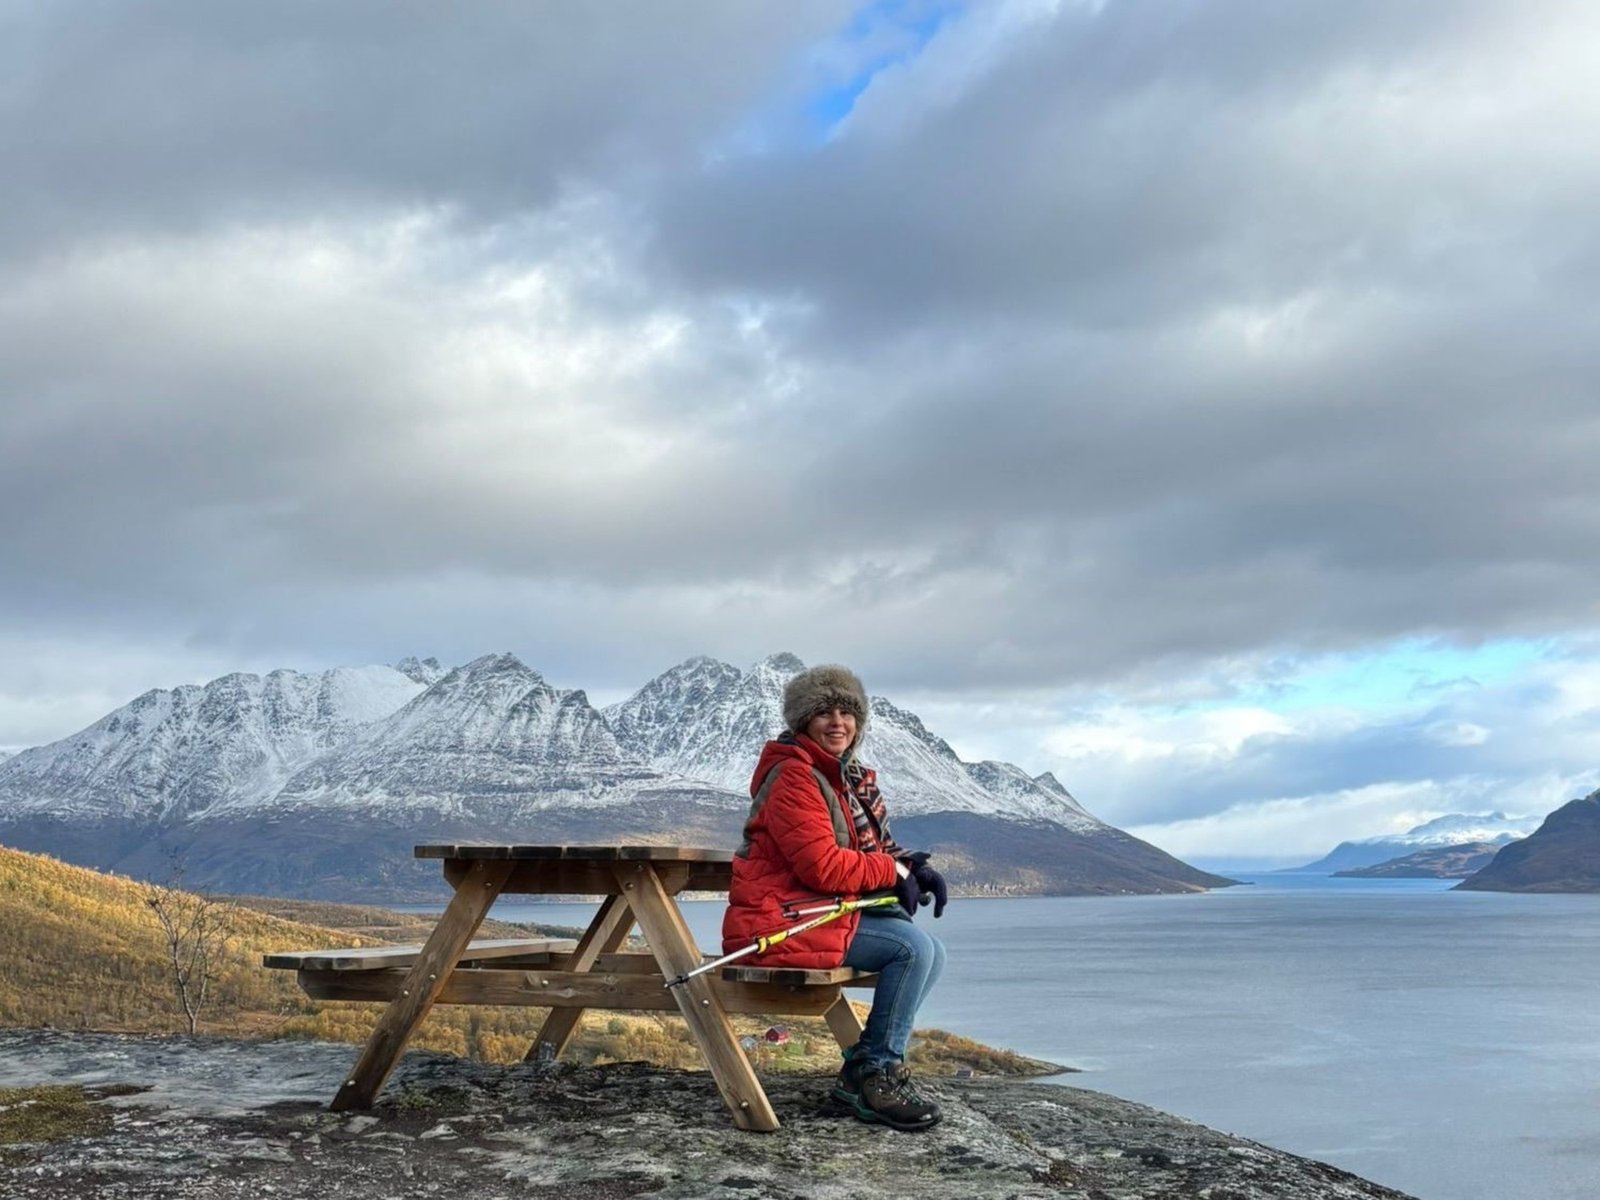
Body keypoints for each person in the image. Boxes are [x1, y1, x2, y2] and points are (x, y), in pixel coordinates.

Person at [722, 664, 950, 1131]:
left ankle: (864, 1074)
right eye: (824, 712)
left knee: (932, 950)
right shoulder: (795, 776)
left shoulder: (845, 779)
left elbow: (869, 850)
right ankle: (875, 1075)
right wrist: (894, 872)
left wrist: (912, 867)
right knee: (911, 949)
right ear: (803, 720)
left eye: (847, 712)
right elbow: (822, 866)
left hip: (814, 912)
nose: (838, 722)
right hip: (777, 921)